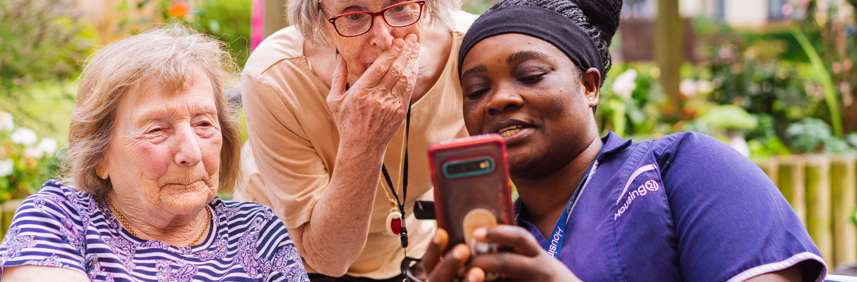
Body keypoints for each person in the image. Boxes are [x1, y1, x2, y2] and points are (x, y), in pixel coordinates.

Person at [423, 0, 828, 281]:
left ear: (589, 86)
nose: (499, 99)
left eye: (530, 75)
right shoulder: (494, 243)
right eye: (476, 90)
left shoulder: (687, 168)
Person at [0, 25, 309, 282]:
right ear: (99, 154)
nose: (191, 152)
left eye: (204, 123)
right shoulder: (58, 219)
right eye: (157, 129)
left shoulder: (258, 235)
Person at [234, 0, 475, 280]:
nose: (384, 40)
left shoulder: (471, 48)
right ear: (319, 20)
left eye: (399, 7)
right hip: (288, 254)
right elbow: (327, 257)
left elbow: (468, 175)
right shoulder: (273, 78)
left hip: (409, 249)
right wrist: (364, 139)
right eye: (355, 16)